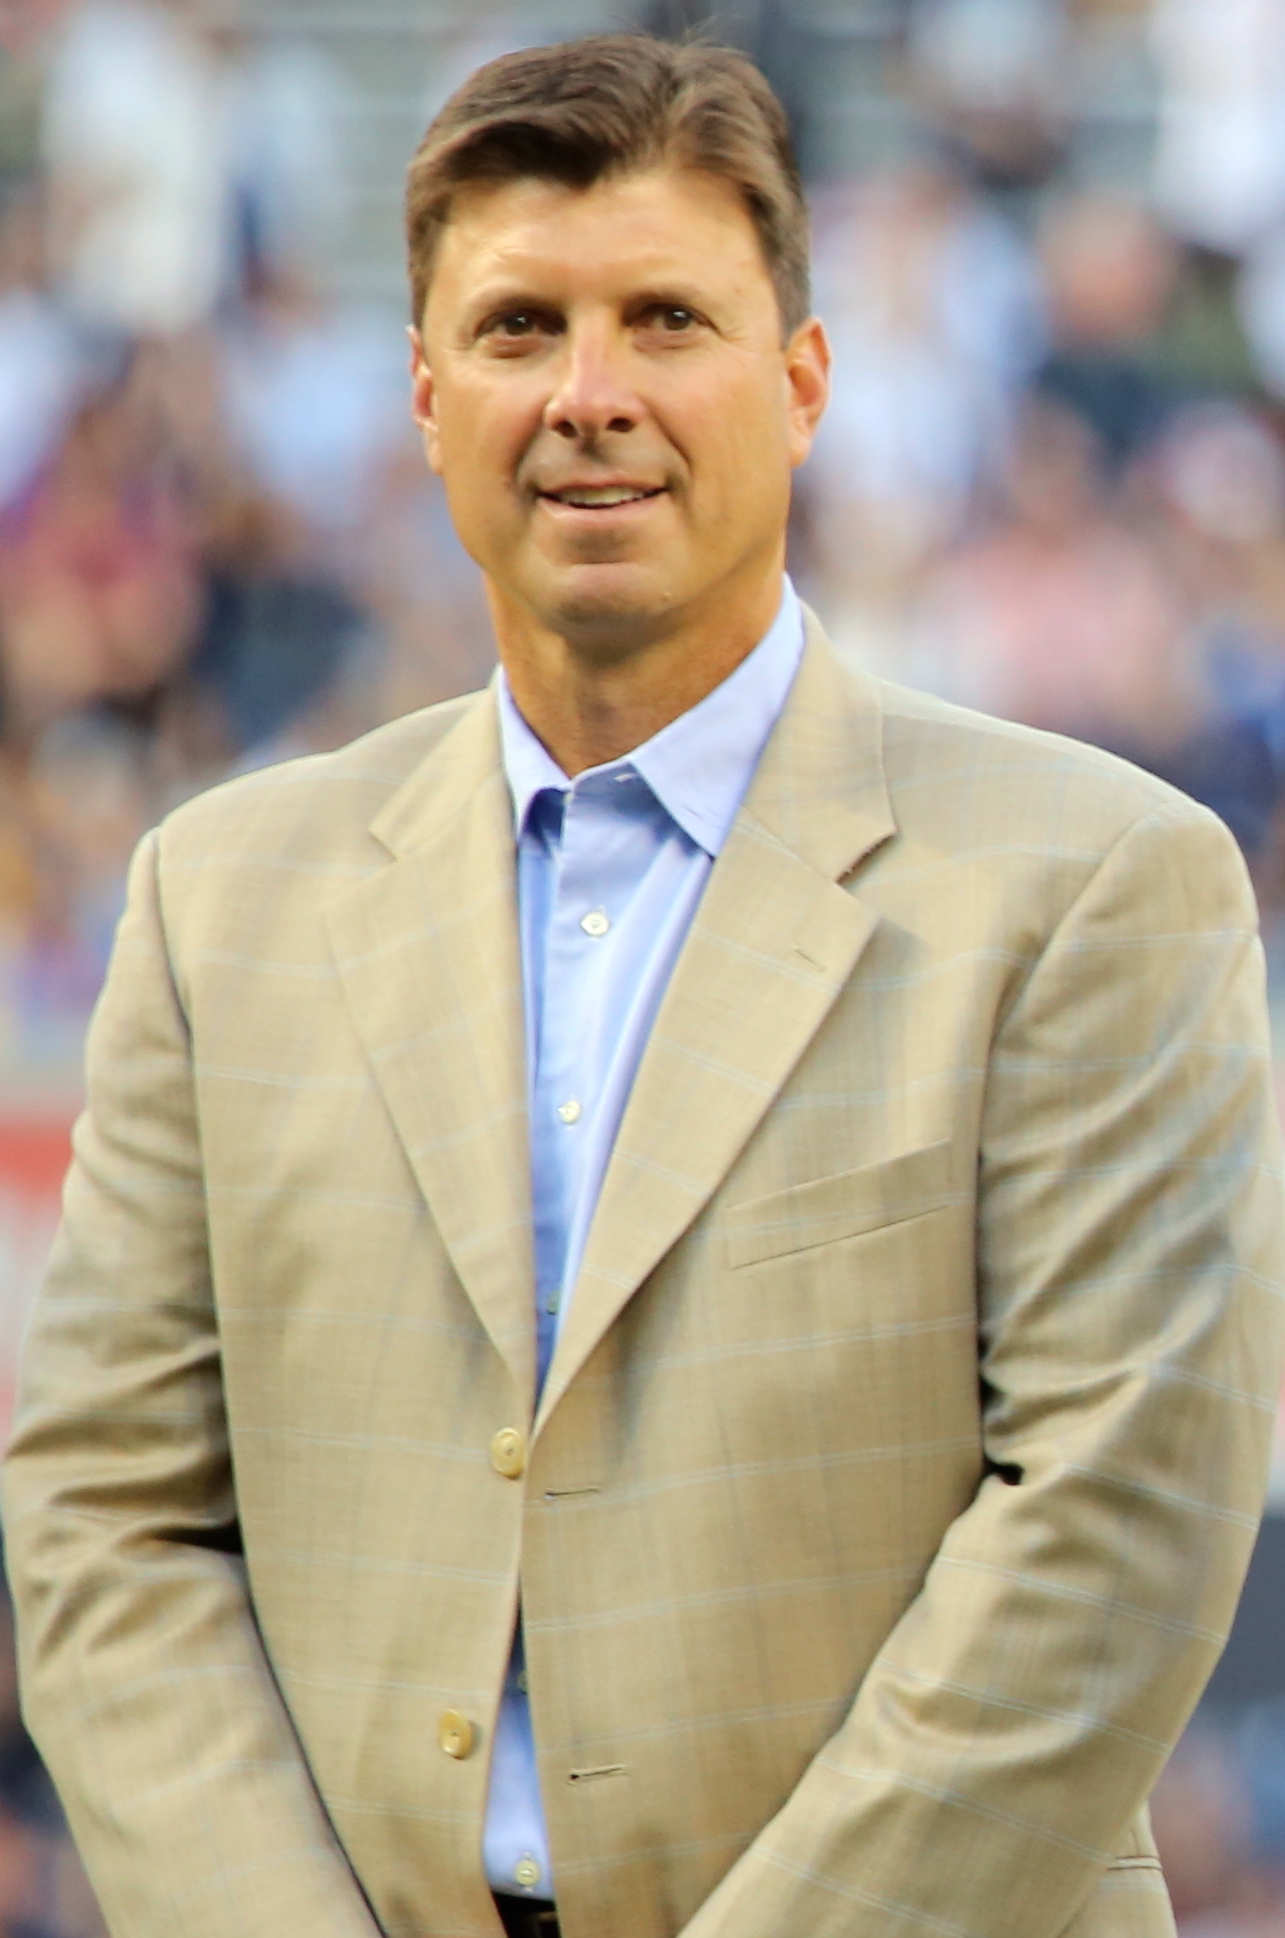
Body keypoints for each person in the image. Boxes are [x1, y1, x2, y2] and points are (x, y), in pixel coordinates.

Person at [3, 34, 1283, 1938]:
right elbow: (111, 1520)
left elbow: (1118, 1528)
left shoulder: (1094, 884)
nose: (589, 395)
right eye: (520, 329)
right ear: (426, 399)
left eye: (665, 318)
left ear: (805, 381)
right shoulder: (221, 900)